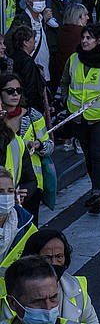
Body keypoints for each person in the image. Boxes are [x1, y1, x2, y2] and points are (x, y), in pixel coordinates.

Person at [58, 23, 100, 215]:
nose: (85, 41)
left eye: (89, 38)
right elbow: (64, 82)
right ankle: (95, 186)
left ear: (98, 41)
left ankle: (97, 192)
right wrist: (65, 99)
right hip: (79, 118)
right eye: (83, 38)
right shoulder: (74, 59)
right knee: (89, 155)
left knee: (98, 153)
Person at [24, 228, 100, 324]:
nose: (54, 262)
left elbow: (93, 323)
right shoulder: (18, 289)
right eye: (47, 257)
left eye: (59, 256)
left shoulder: (76, 287)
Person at [0, 75, 45, 221]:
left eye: (18, 90)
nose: (15, 94)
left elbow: (48, 145)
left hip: (25, 189)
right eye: (10, 91)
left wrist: (39, 145)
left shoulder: (32, 116)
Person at [0, 165, 37, 298]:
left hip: (13, 301)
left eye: (9, 190)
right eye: (0, 191)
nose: (5, 196)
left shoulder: (26, 226)